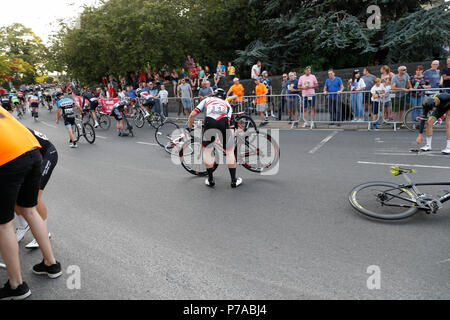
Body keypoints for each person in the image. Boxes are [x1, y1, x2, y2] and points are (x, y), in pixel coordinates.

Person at [0, 106, 61, 300]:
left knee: (3, 224)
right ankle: (51, 264)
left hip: (7, 158)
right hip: (31, 150)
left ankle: (16, 285)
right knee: (29, 210)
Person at [187, 88, 242, 188]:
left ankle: (210, 179)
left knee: (207, 151)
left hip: (209, 122)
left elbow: (192, 115)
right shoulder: (227, 104)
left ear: (214, 95)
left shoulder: (207, 100)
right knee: (229, 152)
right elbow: (230, 124)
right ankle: (233, 181)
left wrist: (189, 128)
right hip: (223, 122)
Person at [15, 128, 57, 249]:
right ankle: (23, 226)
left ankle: (44, 234)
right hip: (29, 156)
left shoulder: (8, 128)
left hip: (47, 154)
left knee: (34, 197)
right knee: (13, 194)